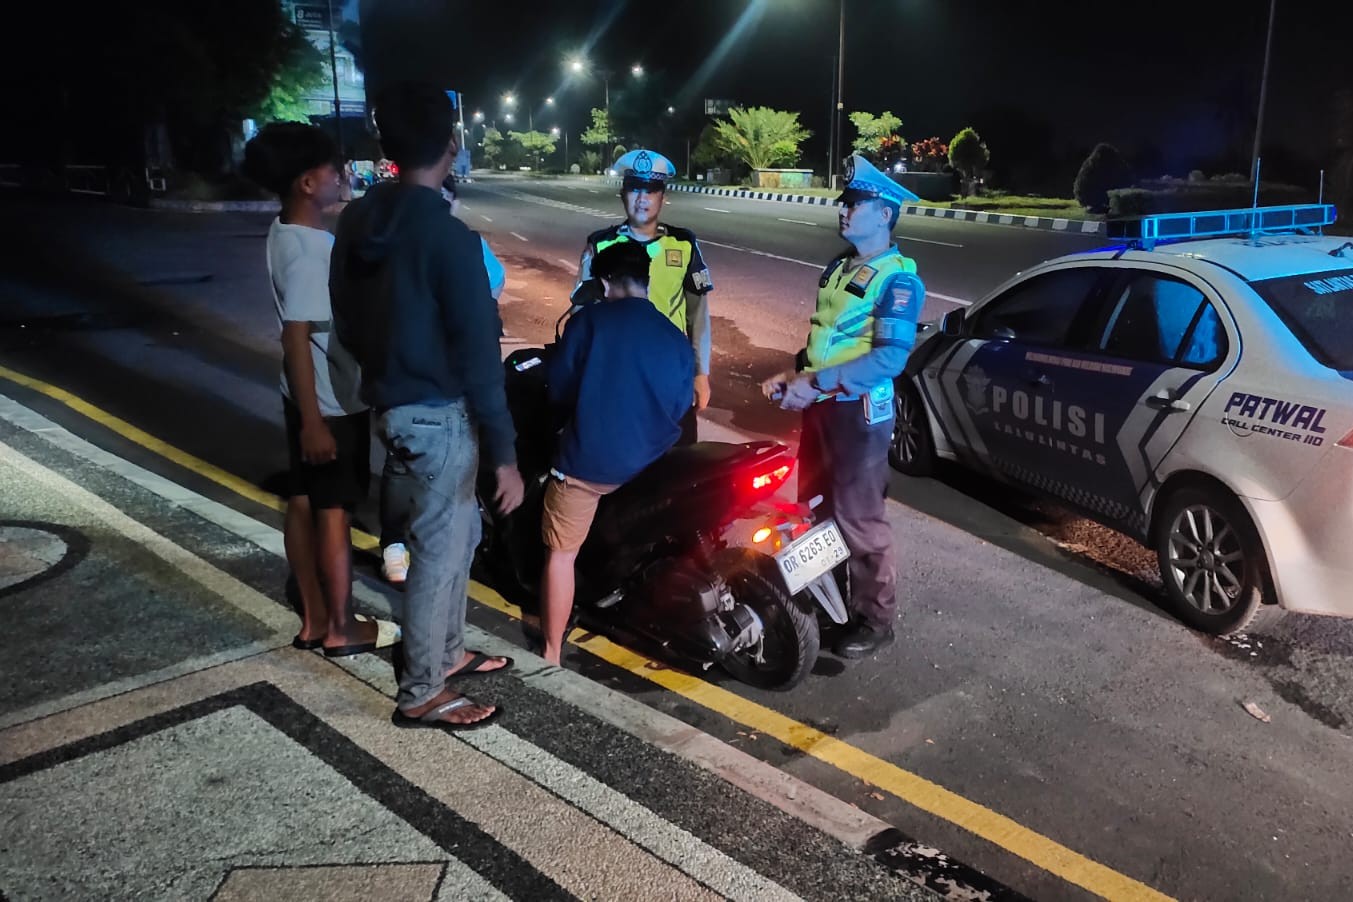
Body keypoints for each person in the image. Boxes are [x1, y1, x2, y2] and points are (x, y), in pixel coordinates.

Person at [331, 82, 524, 732]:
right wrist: (505, 455)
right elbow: (477, 354)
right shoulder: (447, 238)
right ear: (452, 145)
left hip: (392, 406)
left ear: (384, 145)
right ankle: (420, 692)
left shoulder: (359, 220)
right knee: (438, 556)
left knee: (459, 537)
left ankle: (446, 653)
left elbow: (346, 322)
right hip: (441, 417)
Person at [761, 153, 925, 659]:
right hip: (823, 408)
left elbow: (890, 359)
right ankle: (826, 606)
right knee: (815, 510)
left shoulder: (899, 280)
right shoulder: (838, 267)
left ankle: (874, 620)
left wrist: (819, 382)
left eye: (856, 203)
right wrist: (796, 377)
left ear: (886, 214)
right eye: (845, 202)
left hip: (859, 415)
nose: (844, 211)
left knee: (860, 519)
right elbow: (824, 337)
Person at [240, 122, 378, 659]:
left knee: (301, 499)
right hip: (330, 401)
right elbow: (295, 335)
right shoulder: (313, 251)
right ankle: (342, 628)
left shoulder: (281, 234)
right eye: (330, 168)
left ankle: (315, 620)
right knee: (334, 510)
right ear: (305, 182)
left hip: (300, 396)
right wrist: (318, 422)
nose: (339, 175)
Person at [541, 241, 694, 665]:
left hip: (590, 465)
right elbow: (682, 403)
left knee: (561, 553)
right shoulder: (674, 336)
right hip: (653, 465)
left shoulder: (588, 323)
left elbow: (560, 388)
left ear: (606, 282)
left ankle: (552, 651)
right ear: (646, 281)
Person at [379, 173, 506, 585]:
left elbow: (490, 295)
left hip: (452, 382)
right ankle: (394, 541)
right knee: (402, 469)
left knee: (450, 477)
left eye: (446, 196)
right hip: (409, 381)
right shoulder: (392, 241)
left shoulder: (466, 243)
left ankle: (429, 544)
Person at [571, 149, 712, 445]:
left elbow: (697, 315)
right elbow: (580, 315)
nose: (642, 198)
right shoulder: (602, 244)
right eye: (635, 188)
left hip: (671, 375)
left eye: (651, 190)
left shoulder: (683, 244)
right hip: (617, 375)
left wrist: (701, 374)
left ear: (663, 196)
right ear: (622, 194)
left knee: (678, 469)